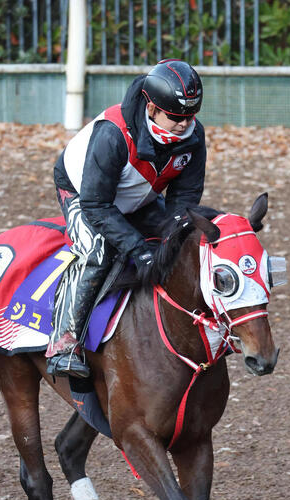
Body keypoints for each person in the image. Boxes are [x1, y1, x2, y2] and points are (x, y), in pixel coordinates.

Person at [46, 58, 206, 378]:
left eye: (190, 116)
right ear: (151, 109)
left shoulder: (192, 135)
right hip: (85, 194)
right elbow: (96, 205)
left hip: (138, 197)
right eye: (175, 116)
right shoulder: (113, 134)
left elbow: (184, 199)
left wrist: (172, 236)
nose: (184, 123)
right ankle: (63, 344)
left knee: (185, 241)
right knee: (98, 252)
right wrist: (138, 248)